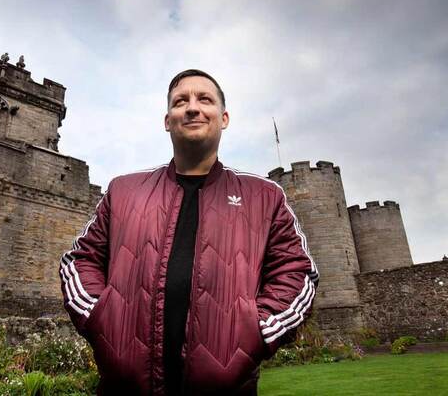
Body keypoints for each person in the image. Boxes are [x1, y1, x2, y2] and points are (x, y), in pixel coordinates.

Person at [60, 69, 319, 395]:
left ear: (223, 118)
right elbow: (79, 260)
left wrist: (256, 332)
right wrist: (101, 318)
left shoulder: (265, 197)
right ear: (168, 120)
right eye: (181, 101)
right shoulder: (123, 191)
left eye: (204, 99)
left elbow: (297, 272)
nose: (193, 108)